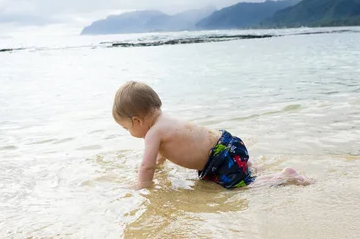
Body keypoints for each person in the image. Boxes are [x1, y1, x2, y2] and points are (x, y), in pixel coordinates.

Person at [112, 81, 311, 189]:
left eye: (126, 128)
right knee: (238, 169)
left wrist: (142, 186)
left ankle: (284, 177)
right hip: (227, 144)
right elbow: (159, 157)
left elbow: (147, 166)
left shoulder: (152, 134)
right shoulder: (166, 121)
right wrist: (161, 166)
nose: (128, 133)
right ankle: (250, 166)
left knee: (241, 186)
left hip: (220, 158)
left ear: (137, 121)